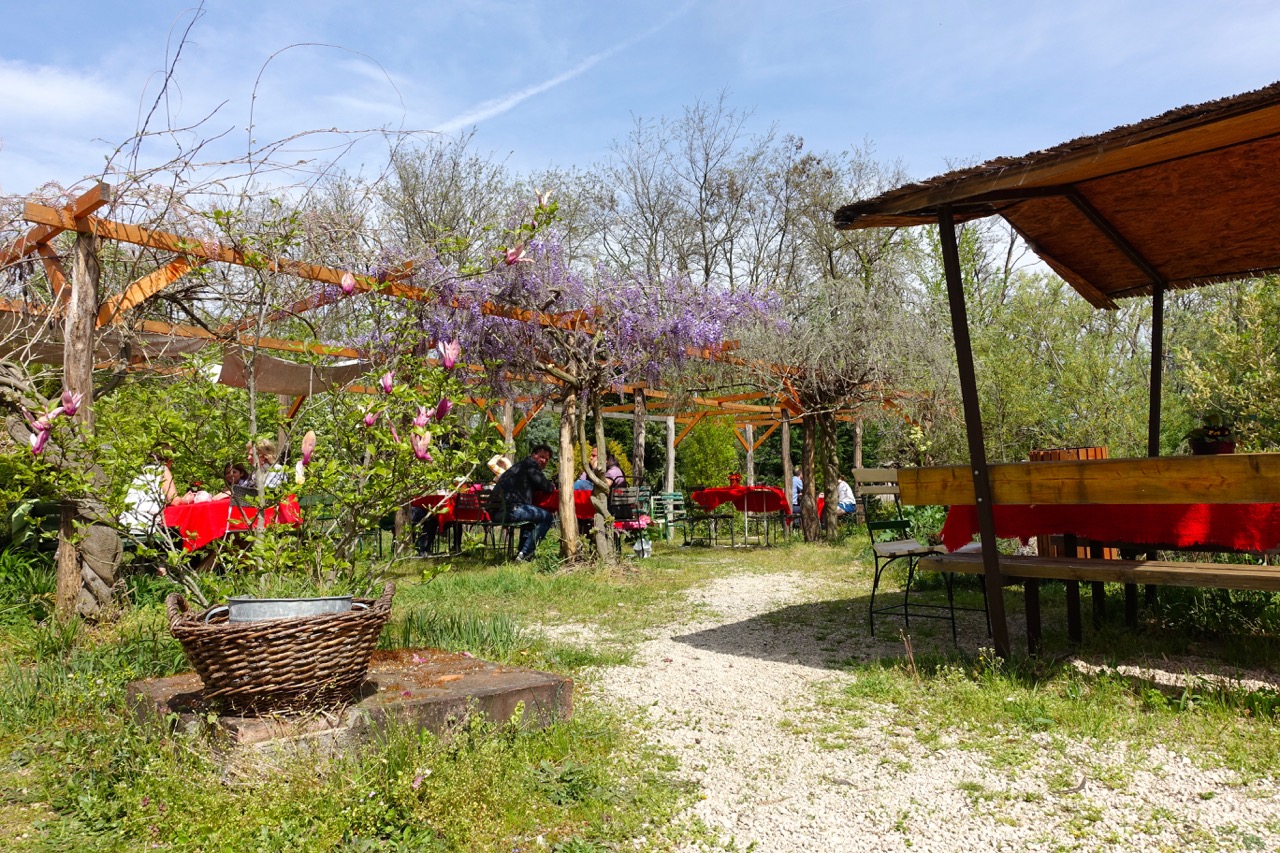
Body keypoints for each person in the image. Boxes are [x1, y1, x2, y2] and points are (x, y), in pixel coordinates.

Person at [495, 443, 557, 561]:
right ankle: (526, 553)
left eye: (546, 459)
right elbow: (547, 487)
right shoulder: (531, 466)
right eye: (541, 456)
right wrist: (551, 485)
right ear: (533, 455)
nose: (543, 460)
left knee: (531, 516)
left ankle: (521, 553)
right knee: (547, 517)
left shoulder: (519, 466)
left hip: (496, 511)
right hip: (510, 510)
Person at [121, 447, 178, 537]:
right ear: (169, 460)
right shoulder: (162, 469)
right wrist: (188, 499)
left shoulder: (142, 470)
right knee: (178, 535)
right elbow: (174, 500)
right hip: (146, 526)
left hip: (126, 523)